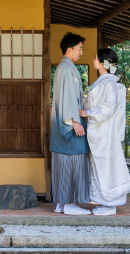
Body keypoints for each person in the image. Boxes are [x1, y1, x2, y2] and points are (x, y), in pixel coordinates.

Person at [79, 48, 130, 216]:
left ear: (103, 64)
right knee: (99, 167)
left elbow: (108, 108)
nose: (93, 60)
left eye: (95, 58)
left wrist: (88, 113)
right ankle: (104, 202)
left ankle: (111, 204)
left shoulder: (109, 84)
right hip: (100, 131)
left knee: (107, 167)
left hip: (105, 133)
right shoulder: (104, 82)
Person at [50, 32, 91, 215]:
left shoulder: (64, 68)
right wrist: (75, 121)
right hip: (69, 124)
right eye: (80, 48)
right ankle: (69, 204)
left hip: (64, 123)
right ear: (69, 49)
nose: (82, 52)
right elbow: (67, 99)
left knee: (63, 163)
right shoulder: (67, 69)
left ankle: (61, 202)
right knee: (72, 162)